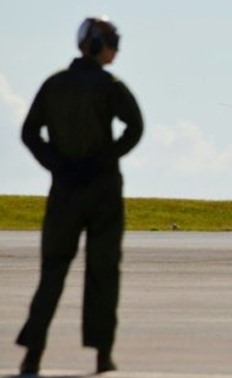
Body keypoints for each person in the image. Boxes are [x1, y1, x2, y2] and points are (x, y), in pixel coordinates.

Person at [16, 16, 143, 375]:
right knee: (103, 273)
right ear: (97, 45)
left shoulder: (55, 85)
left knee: (52, 271)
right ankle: (102, 354)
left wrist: (56, 164)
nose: (114, 48)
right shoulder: (109, 85)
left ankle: (32, 355)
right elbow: (136, 127)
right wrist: (107, 157)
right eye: (111, 41)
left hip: (64, 191)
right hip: (102, 191)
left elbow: (29, 132)